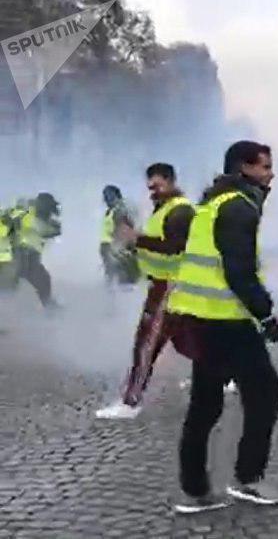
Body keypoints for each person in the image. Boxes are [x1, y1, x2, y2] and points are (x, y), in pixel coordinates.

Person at [167, 140, 278, 513]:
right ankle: (248, 479)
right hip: (225, 320)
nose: (271, 174)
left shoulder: (215, 201)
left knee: (206, 403)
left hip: (202, 317)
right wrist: (266, 316)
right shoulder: (238, 208)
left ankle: (195, 491)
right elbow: (239, 271)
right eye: (265, 167)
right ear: (244, 168)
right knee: (265, 393)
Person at [95, 163, 195, 420]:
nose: (153, 191)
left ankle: (130, 402)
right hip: (164, 284)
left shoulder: (180, 211)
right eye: (150, 187)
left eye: (158, 186)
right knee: (186, 342)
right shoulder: (163, 209)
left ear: (171, 181)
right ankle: (227, 374)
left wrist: (137, 238)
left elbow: (175, 247)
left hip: (169, 285)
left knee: (146, 344)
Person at [11, 193, 61, 309]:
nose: (51, 212)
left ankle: (46, 304)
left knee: (41, 279)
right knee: (40, 279)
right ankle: (47, 306)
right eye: (49, 208)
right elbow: (43, 229)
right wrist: (54, 229)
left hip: (27, 255)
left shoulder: (34, 215)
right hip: (25, 254)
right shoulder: (31, 216)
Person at [99, 185, 140, 289]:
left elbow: (123, 230)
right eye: (106, 196)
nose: (106, 199)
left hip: (114, 247)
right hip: (108, 247)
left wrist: (119, 247)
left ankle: (118, 297)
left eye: (109, 196)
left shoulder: (119, 211)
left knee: (118, 276)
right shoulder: (111, 211)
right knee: (111, 275)